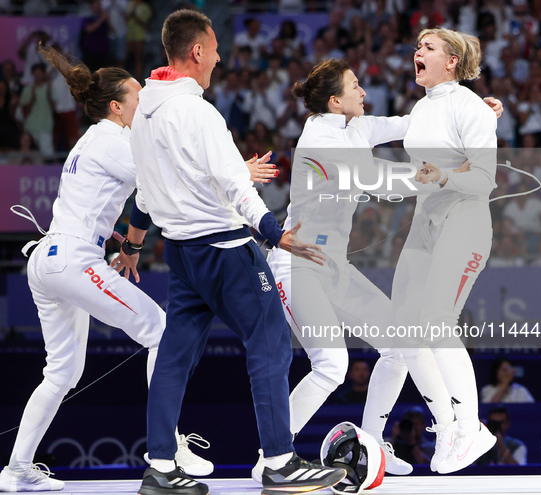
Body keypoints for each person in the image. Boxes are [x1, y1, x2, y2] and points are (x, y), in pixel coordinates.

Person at [128, 10, 345, 495]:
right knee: (269, 343)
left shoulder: (142, 113)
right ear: (198, 51)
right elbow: (233, 184)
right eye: (216, 48)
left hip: (182, 256)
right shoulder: (199, 113)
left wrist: (132, 242)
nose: (221, 57)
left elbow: (146, 191)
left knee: (173, 358)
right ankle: (280, 462)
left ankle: (160, 467)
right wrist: (274, 231)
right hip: (227, 252)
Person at [256, 58, 503, 481]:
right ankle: (273, 455)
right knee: (332, 364)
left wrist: (476, 112)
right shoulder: (320, 138)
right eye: (356, 86)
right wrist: (445, 174)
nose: (364, 92)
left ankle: (373, 445)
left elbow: (412, 123)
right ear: (336, 101)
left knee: (400, 343)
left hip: (334, 266)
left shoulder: (358, 127)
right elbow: (380, 180)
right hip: (296, 265)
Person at [0, 47, 212, 493]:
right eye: (138, 98)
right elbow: (164, 183)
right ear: (117, 106)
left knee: (61, 373)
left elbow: (100, 204)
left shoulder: (92, 140)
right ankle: (167, 451)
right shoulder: (115, 140)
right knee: (162, 330)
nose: (145, 105)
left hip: (51, 259)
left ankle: (17, 470)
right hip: (72, 260)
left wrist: (119, 241)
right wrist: (235, 173)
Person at [390, 27, 499, 474]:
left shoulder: (467, 105)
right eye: (417, 47)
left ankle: (472, 428)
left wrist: (444, 176)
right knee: (404, 331)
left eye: (429, 48)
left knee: (437, 322)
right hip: (425, 222)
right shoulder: (421, 107)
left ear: (452, 60)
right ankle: (449, 422)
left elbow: (485, 178)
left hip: (464, 219)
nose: (418, 52)